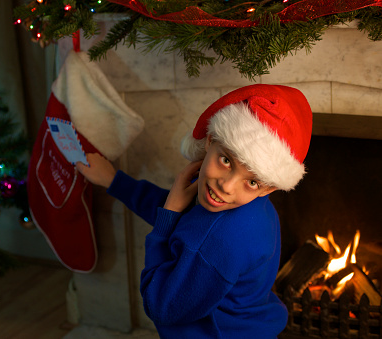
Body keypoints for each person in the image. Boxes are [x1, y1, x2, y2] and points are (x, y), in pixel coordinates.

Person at [76, 84, 313, 338]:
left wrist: (165, 223)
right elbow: (185, 217)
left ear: (269, 188)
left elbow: (160, 305)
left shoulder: (218, 239)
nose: (226, 185)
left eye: (251, 181)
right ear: (210, 140)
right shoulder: (253, 204)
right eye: (226, 160)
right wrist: (115, 181)